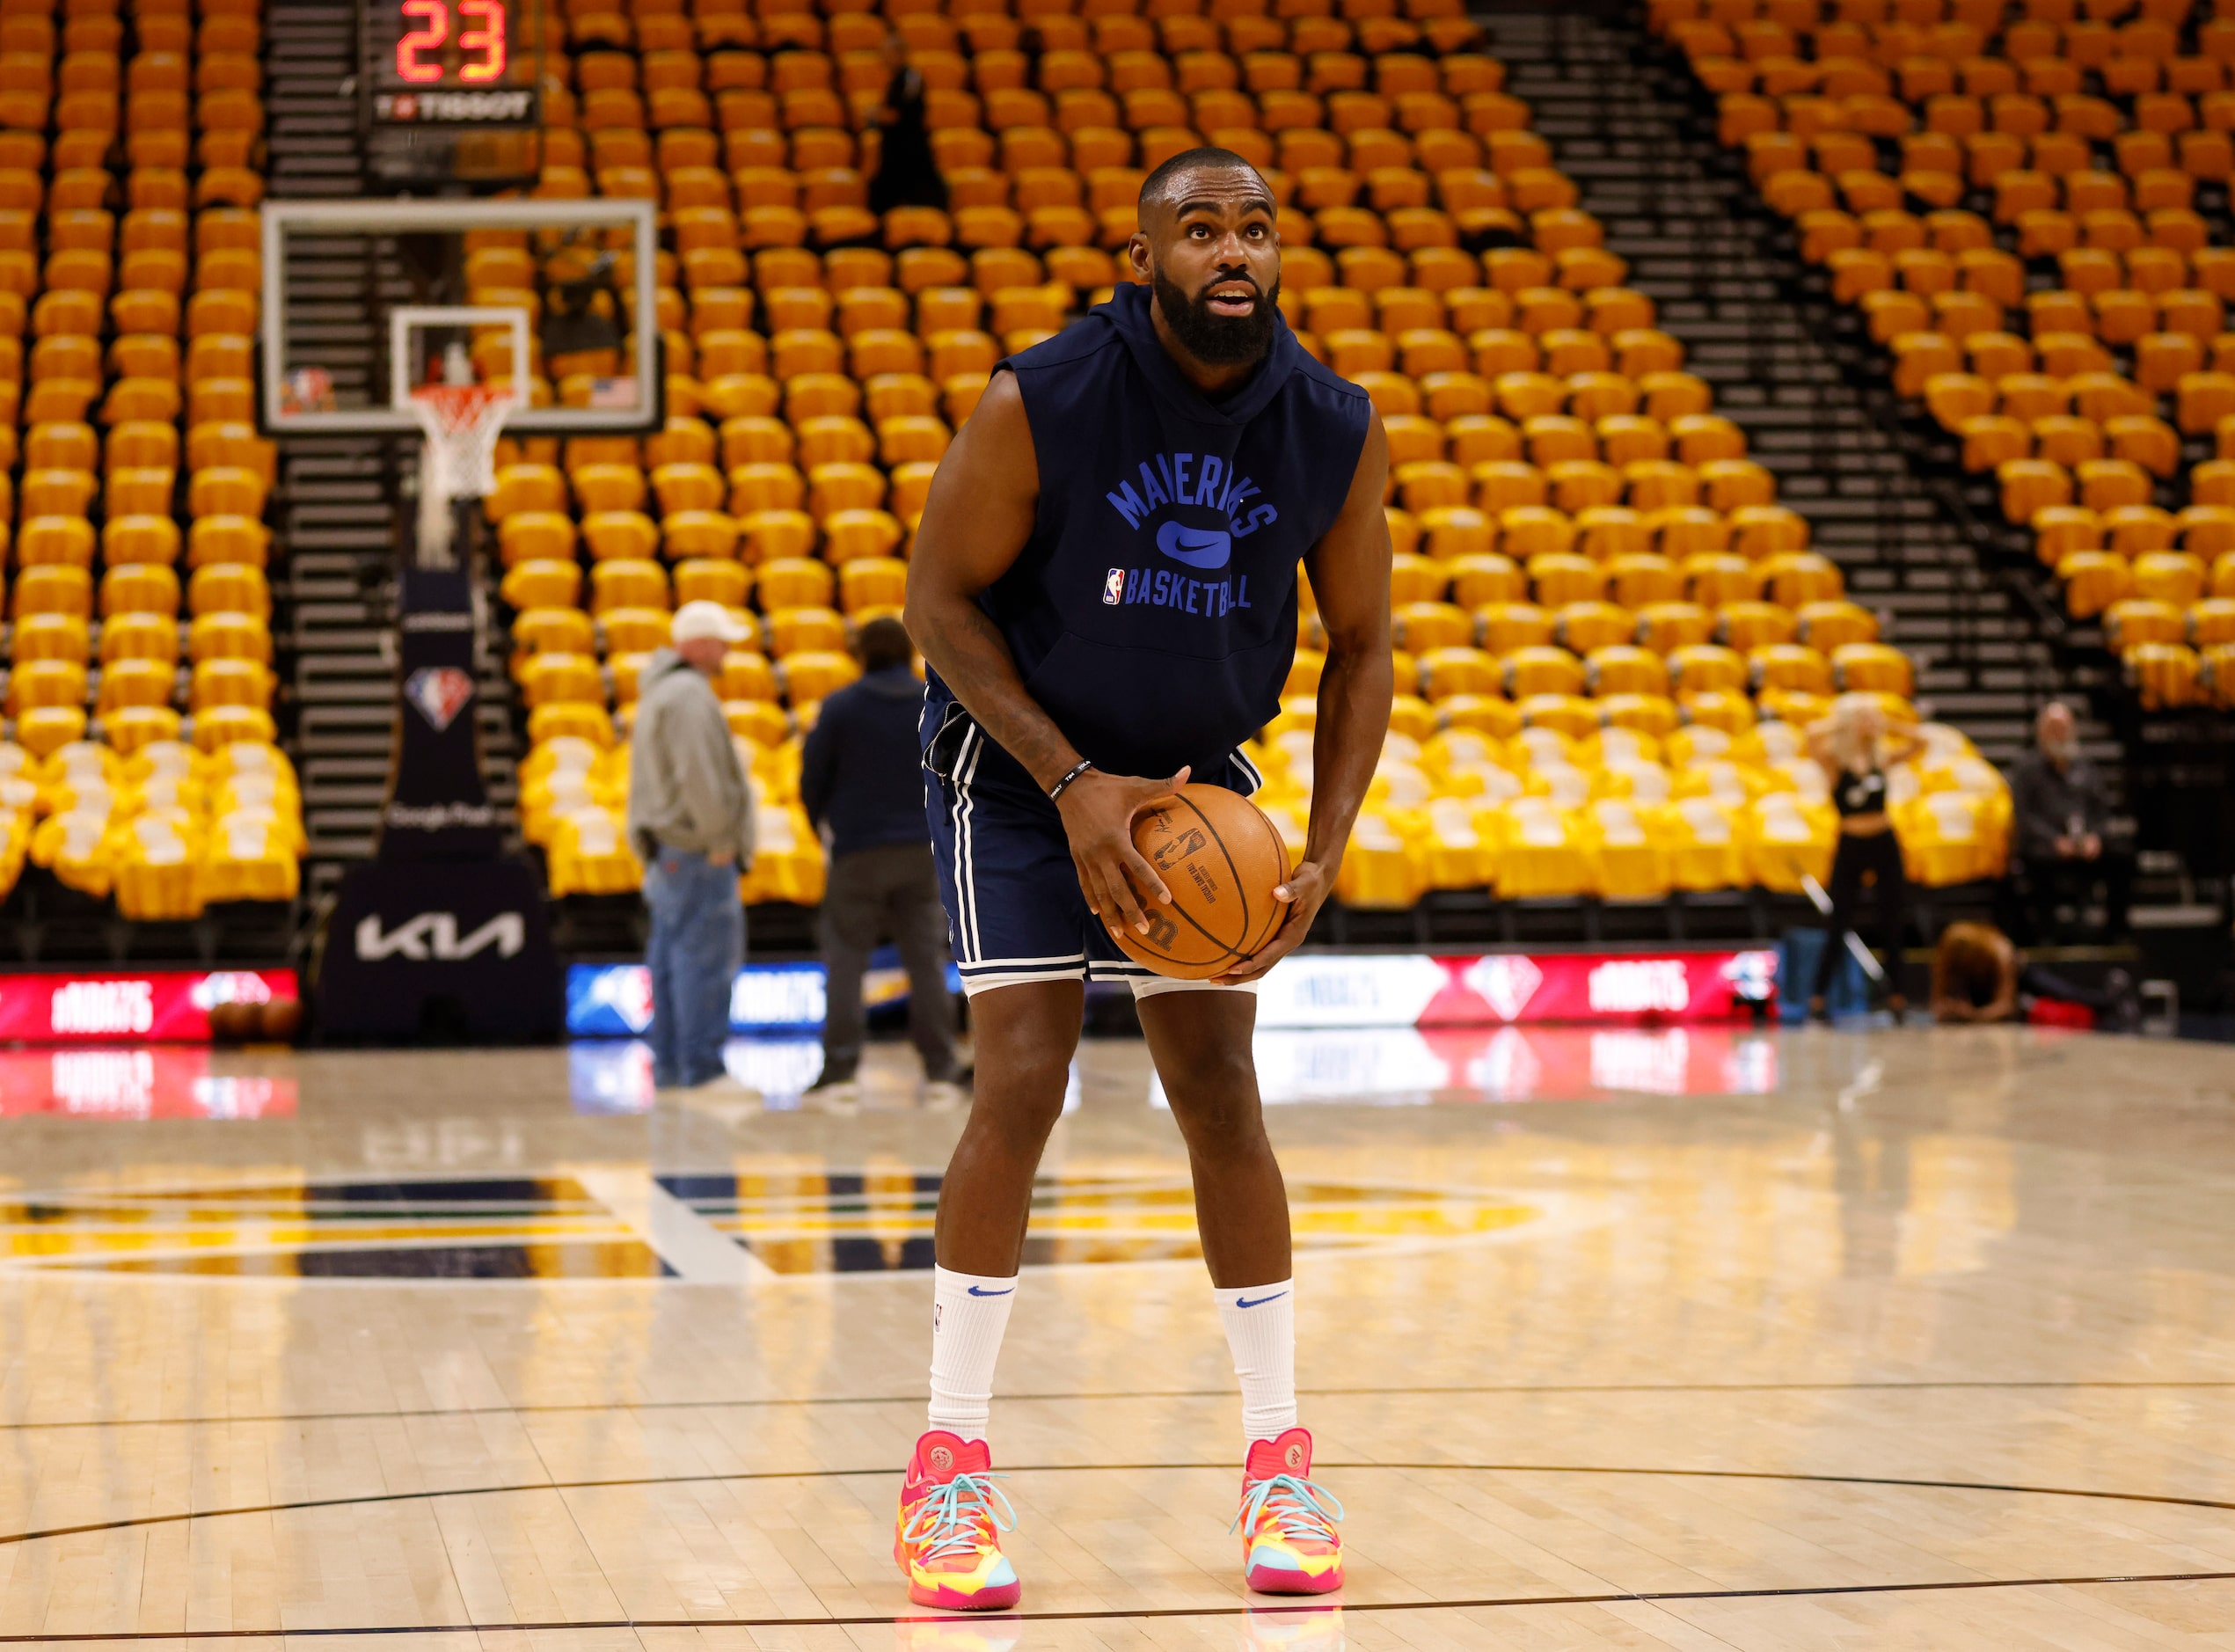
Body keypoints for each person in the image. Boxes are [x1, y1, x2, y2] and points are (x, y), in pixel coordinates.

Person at [893, 147, 1391, 1610]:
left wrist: (1321, 841)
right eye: (1198, 229)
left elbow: (1362, 643)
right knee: (1023, 1078)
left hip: (1186, 780)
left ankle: (1279, 1456)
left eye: (1253, 228)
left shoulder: (1330, 425)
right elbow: (937, 602)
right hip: (1019, 770)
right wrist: (1069, 782)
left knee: (1222, 1093)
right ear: (1143, 251)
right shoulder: (1042, 395)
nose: (1230, 251)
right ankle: (948, 1463)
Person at [800, 616, 967, 1104]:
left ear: (860, 655)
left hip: (858, 853)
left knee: (847, 961)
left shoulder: (839, 707)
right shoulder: (933, 701)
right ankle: (940, 1072)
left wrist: (826, 828)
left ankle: (840, 1074)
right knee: (926, 965)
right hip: (923, 853)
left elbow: (812, 780)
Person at [626, 601, 758, 1093]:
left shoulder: (665, 691)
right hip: (698, 849)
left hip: (672, 850)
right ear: (699, 644)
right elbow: (698, 776)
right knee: (703, 960)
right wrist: (721, 837)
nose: (726, 651)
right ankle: (702, 1070)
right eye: (721, 641)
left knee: (671, 960)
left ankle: (674, 1069)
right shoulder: (687, 695)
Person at [1806, 694, 1925, 1022]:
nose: (1867, 723)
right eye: (1863, 718)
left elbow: (1921, 741)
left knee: (1892, 918)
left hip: (1884, 842)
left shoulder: (1881, 757)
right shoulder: (1835, 762)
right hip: (1850, 844)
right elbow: (1809, 736)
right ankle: (1818, 998)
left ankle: (1898, 997)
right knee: (1838, 921)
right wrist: (1843, 721)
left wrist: (1887, 723)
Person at [2007, 701, 2131, 941]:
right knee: (2037, 860)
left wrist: (2095, 837)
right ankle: (2046, 935)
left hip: (2083, 846)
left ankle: (2115, 931)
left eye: (2063, 727)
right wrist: (2055, 842)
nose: (2058, 733)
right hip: (2047, 848)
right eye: (2053, 727)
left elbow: (2102, 812)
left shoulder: (2086, 768)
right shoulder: (2027, 769)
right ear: (2041, 732)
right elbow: (2024, 817)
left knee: (2122, 856)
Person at [1930, 919, 2140, 1029]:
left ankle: (2110, 1001)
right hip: (1987, 996)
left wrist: (1973, 1016)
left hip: (2022, 975)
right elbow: (1937, 1007)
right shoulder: (1948, 956)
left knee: (2066, 993)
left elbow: (2006, 1006)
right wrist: (1952, 1009)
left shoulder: (1999, 950)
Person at [866, 33, 946, 216]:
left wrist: (873, 114)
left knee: (924, 201)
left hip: (909, 151)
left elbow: (896, 115)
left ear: (899, 54)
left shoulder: (910, 78)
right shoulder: (895, 79)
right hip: (894, 149)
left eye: (885, 52)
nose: (882, 57)